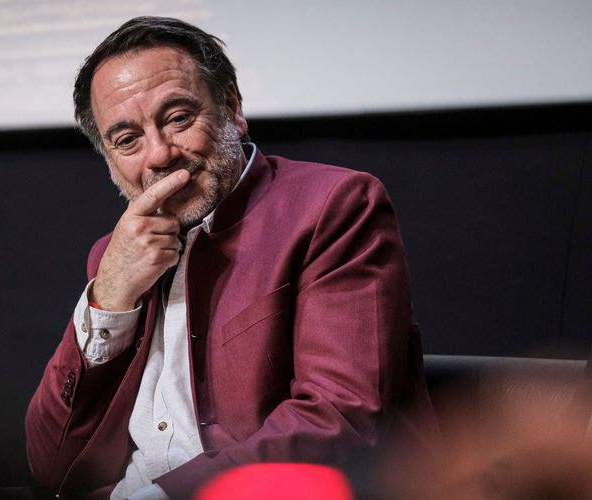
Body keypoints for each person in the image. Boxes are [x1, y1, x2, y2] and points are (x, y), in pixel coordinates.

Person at [26, 16, 435, 500]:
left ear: (232, 109)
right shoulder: (116, 259)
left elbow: (340, 417)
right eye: (127, 140)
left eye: (178, 118)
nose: (159, 155)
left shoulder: (332, 207)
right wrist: (109, 297)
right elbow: (52, 464)